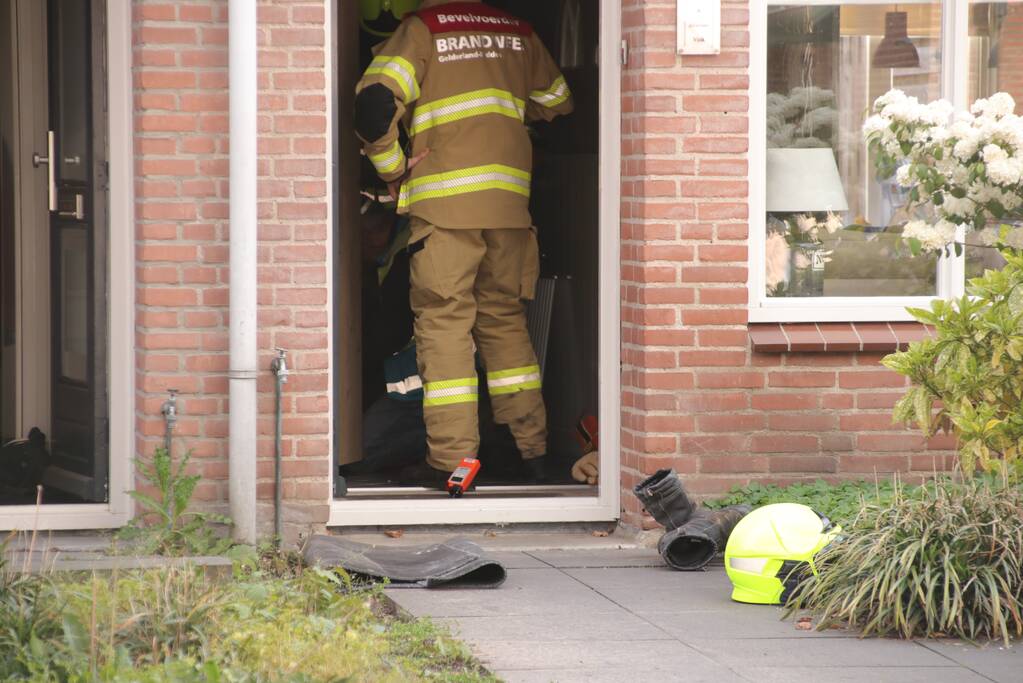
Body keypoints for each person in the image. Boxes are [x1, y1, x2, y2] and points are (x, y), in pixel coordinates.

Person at [354, 0, 573, 488]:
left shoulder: (423, 30)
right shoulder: (520, 31)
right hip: (508, 208)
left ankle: (452, 462)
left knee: (445, 323)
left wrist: (392, 170)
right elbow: (558, 102)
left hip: (446, 207)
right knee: (504, 323)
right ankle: (529, 453)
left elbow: (373, 105)